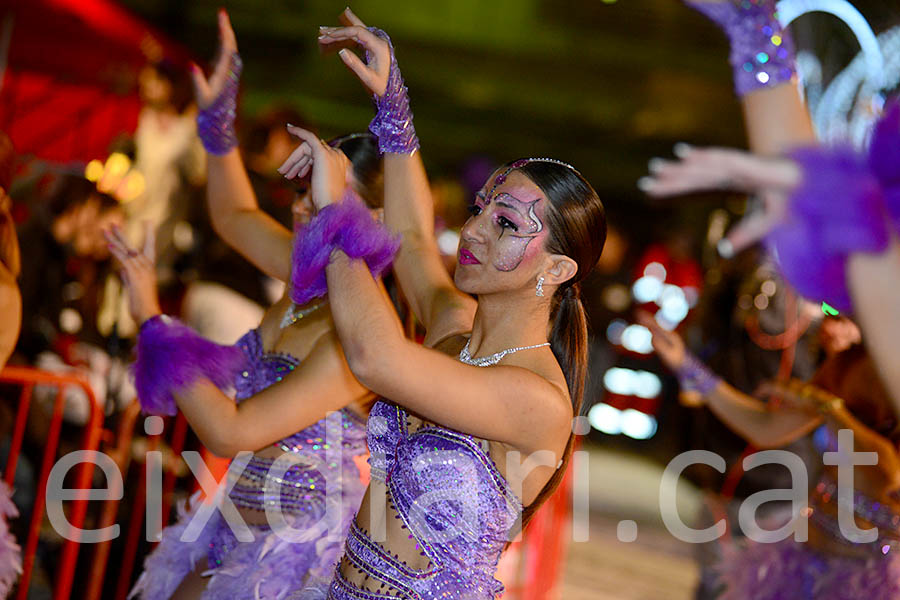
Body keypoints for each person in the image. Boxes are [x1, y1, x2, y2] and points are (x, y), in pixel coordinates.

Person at [277, 9, 606, 598]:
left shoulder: (537, 400)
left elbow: (376, 357)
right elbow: (415, 240)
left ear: (557, 269)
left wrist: (337, 213)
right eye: (480, 208)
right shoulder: (454, 329)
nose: (475, 230)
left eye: (505, 224)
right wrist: (393, 108)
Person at [116, 11, 395, 599]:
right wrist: (219, 123)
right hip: (234, 526)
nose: (300, 211)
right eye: (300, 193)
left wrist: (154, 322)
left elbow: (227, 429)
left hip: (288, 563)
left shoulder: (359, 337)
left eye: (320, 199)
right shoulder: (304, 278)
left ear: (374, 222)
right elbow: (233, 217)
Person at [638, 310, 900, 599]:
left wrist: (829, 409)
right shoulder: (850, 362)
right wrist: (687, 366)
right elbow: (766, 427)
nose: (830, 326)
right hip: (805, 566)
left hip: (873, 580)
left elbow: (889, 475)